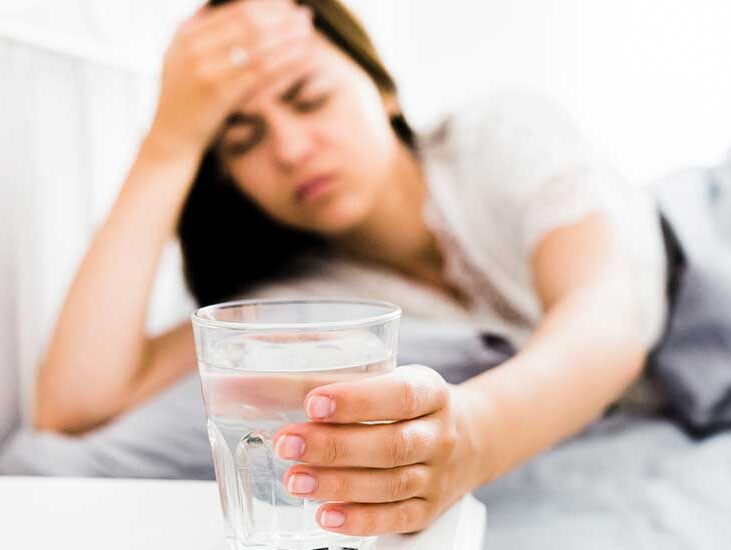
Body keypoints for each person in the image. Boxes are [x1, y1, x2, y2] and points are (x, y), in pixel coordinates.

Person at [34, 0, 668, 537]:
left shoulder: (500, 138)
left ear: (383, 88)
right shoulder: (302, 297)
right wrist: (168, 145)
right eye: (243, 141)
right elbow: (75, 408)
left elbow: (608, 319)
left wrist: (470, 439)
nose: (290, 149)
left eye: (309, 99)